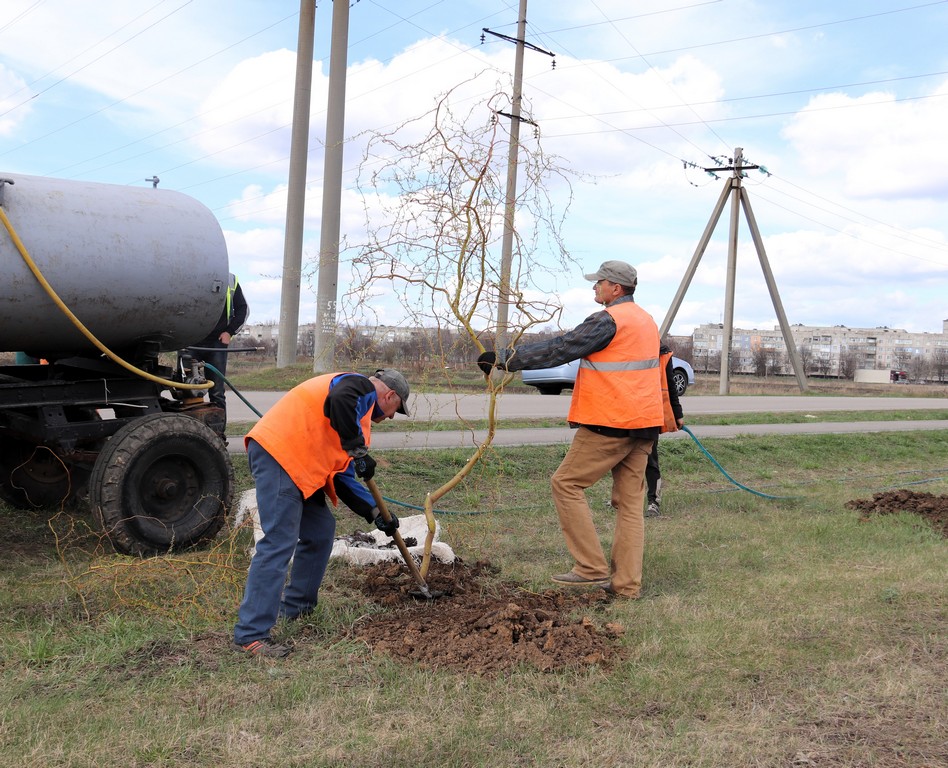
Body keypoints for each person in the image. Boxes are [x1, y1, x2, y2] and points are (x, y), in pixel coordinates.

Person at [477, 260, 664, 599]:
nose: (595, 287)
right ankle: (626, 586)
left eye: (599, 282)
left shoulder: (609, 320)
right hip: (644, 424)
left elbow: (562, 348)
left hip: (611, 422)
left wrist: (506, 359)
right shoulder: (646, 320)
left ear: (616, 288)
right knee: (630, 506)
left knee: (565, 483)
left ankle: (590, 567)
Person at [232, 368, 411, 658]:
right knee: (279, 541)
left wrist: (376, 511)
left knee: (320, 531)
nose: (391, 417)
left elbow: (342, 476)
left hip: (301, 466)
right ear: (390, 395)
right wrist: (357, 449)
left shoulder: (357, 416)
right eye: (396, 409)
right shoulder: (359, 387)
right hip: (281, 456)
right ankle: (251, 634)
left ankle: (297, 608)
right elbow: (340, 397)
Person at [191, 273, 248, 423]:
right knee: (188, 391)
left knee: (217, 393)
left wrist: (229, 332)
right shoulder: (190, 272)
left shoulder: (230, 280)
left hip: (216, 343)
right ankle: (192, 430)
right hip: (190, 341)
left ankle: (218, 433)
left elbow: (242, 309)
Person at [645, 343, 685, 517]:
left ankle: (653, 502)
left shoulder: (662, 352)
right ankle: (619, 499)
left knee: (650, 460)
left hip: (649, 414)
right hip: (625, 413)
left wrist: (677, 413)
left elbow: (670, 384)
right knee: (622, 459)